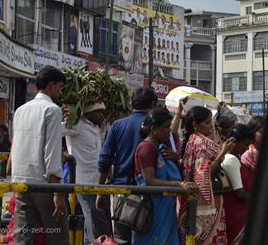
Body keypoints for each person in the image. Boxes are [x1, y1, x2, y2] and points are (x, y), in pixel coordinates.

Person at [11, 65, 68, 245]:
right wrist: (57, 192)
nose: (60, 92)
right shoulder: (52, 110)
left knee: (23, 237)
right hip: (43, 184)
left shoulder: (21, 110)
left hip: (20, 182)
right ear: (51, 86)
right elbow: (51, 152)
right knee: (57, 234)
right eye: (59, 87)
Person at [96, 87, 158, 245]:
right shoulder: (158, 128)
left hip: (120, 191)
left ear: (132, 104)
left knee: (121, 239)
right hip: (148, 192)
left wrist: (99, 191)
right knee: (146, 238)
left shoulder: (118, 125)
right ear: (152, 104)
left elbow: (105, 159)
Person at [134, 108, 198, 245]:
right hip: (153, 206)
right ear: (153, 129)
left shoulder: (159, 147)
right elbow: (149, 181)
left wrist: (175, 158)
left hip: (163, 203)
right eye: (165, 127)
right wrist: (178, 185)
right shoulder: (146, 148)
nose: (168, 131)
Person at [178, 106, 235, 245]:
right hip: (205, 203)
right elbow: (205, 173)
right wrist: (223, 152)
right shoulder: (199, 143)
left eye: (211, 122)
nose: (211, 126)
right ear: (195, 124)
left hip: (206, 199)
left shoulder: (195, 139)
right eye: (207, 122)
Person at [63, 102, 112, 244]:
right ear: (88, 113)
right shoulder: (76, 124)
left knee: (92, 219)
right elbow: (55, 130)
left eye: (103, 112)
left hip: (98, 182)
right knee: (92, 218)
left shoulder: (97, 128)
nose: (101, 115)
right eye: (98, 112)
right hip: (84, 182)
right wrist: (63, 116)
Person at [221, 124, 255, 245]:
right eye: (245, 144)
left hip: (237, 212)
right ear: (234, 142)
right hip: (236, 213)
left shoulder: (234, 157)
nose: (247, 148)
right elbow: (239, 192)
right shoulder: (231, 160)